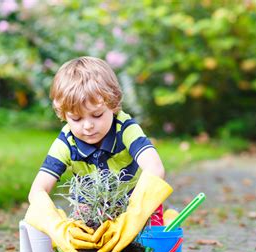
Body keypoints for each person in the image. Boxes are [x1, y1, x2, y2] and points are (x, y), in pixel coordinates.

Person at [28, 56, 166, 225]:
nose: (87, 126)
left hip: (133, 205)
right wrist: (54, 224)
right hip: (90, 211)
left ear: (113, 104)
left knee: (152, 233)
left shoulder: (125, 129)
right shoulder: (67, 141)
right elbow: (38, 190)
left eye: (97, 115)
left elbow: (155, 167)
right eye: (76, 119)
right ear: (63, 115)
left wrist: (135, 211)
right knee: (82, 235)